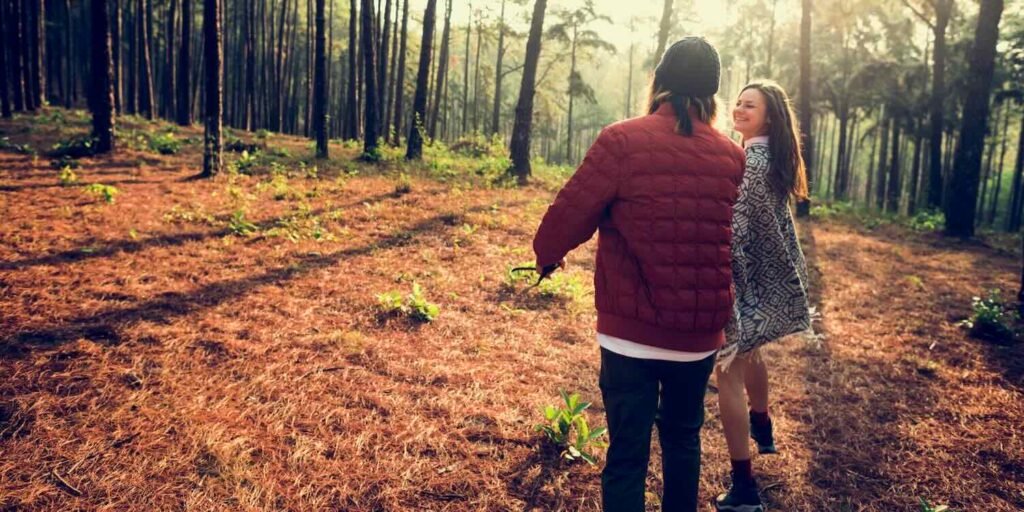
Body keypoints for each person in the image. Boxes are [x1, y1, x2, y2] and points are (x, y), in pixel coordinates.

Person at [532, 37, 745, 512]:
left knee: (627, 453)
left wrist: (548, 255)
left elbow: (568, 216)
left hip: (631, 334)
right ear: (713, 94)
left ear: (661, 83)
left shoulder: (622, 140)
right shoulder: (732, 156)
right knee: (684, 441)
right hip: (697, 335)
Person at [713, 80, 813, 512]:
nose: (737, 108)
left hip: (743, 276)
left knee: (727, 373)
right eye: (736, 102)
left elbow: (733, 233)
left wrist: (721, 284)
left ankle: (744, 488)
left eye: (749, 105)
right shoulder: (773, 156)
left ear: (769, 115)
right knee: (751, 352)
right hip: (766, 275)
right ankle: (763, 422)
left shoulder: (749, 163)